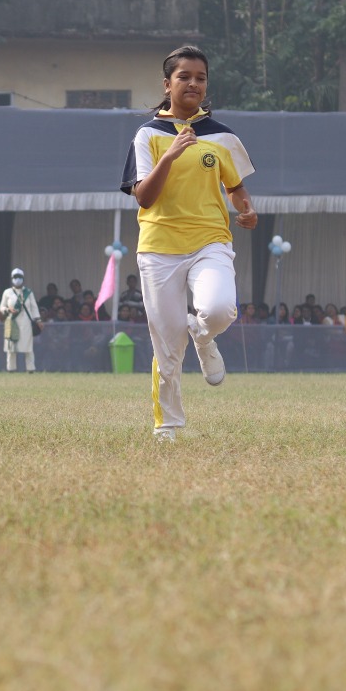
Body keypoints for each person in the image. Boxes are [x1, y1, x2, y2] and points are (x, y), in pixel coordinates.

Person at [120, 44, 257, 441]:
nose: (193, 83)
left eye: (201, 78)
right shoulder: (148, 135)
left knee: (218, 310)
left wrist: (246, 209)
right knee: (167, 347)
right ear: (167, 84)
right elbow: (144, 197)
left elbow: (236, 187)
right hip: (159, 247)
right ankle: (168, 427)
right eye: (184, 77)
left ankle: (203, 333)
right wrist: (170, 155)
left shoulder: (221, 135)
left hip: (210, 241)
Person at [0, 268, 42, 372]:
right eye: (15, 277)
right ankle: (11, 369)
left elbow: (34, 307)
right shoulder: (7, 292)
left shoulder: (28, 292)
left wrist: (38, 320)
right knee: (11, 348)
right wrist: (8, 310)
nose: (17, 279)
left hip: (26, 323)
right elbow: (1, 307)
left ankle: (30, 369)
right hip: (11, 322)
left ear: (23, 278)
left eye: (19, 277)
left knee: (28, 347)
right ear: (12, 278)